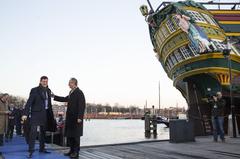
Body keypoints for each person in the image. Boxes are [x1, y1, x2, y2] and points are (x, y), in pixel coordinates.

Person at [22, 76, 56, 158]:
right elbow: (29, 102)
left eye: (46, 81)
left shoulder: (48, 90)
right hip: (36, 114)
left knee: (43, 133)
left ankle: (42, 148)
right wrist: (25, 113)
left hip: (46, 114)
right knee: (33, 133)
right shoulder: (35, 90)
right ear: (40, 81)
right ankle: (31, 151)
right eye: (43, 81)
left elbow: (49, 103)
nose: (45, 82)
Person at [53, 78, 86, 158]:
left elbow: (82, 105)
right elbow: (65, 99)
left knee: (76, 136)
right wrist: (54, 96)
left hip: (76, 118)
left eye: (70, 83)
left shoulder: (79, 92)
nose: (68, 84)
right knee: (70, 136)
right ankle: (71, 150)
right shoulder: (71, 92)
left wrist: (79, 117)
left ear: (74, 83)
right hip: (70, 118)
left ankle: (76, 152)